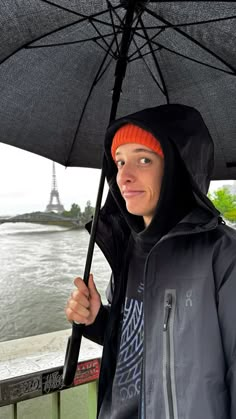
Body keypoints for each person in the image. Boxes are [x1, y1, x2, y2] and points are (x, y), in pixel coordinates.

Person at [65, 104, 236, 419]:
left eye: (143, 159)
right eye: (119, 162)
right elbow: (138, 342)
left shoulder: (224, 257)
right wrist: (96, 319)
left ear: (178, 169)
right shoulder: (130, 251)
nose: (124, 177)